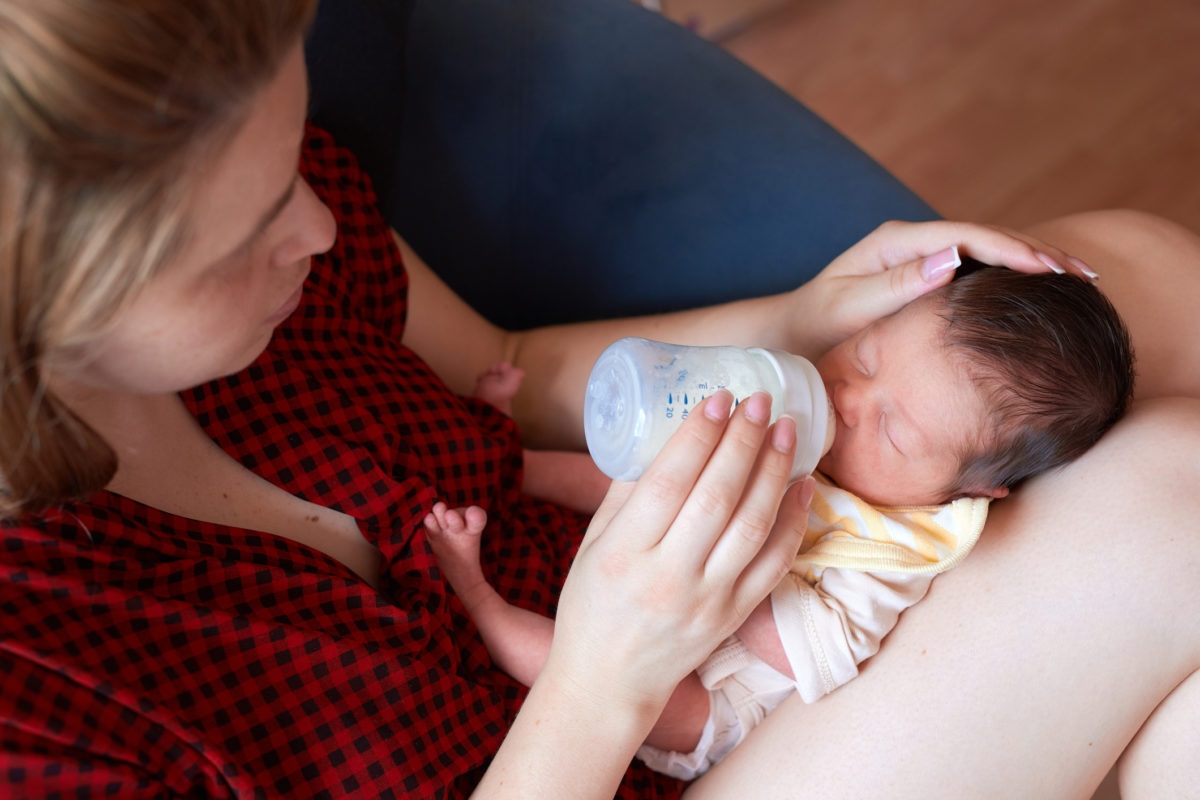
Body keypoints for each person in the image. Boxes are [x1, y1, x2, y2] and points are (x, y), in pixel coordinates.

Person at [2, 2, 1198, 799]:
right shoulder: (39, 694)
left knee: (1144, 271)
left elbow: (506, 360)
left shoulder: (294, 246)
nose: (317, 225)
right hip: (602, 743)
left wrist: (805, 323)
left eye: (291, 166)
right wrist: (603, 682)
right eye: (245, 235)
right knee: (1175, 498)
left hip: (654, 629)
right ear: (40, 297)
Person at [424, 264, 1135, 779]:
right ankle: (510, 458)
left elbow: (816, 654)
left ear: (974, 489)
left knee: (612, 676)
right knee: (654, 475)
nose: (849, 397)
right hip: (654, 579)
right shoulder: (804, 416)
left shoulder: (896, 549)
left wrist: (744, 554)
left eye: (893, 433)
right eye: (865, 354)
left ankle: (477, 596)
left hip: (710, 696)